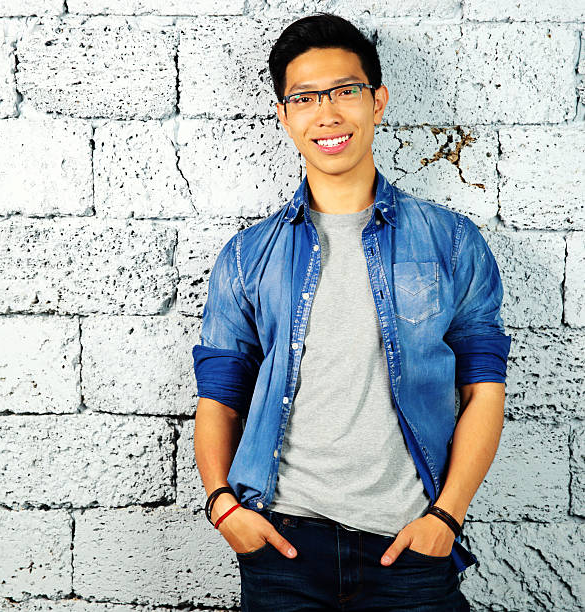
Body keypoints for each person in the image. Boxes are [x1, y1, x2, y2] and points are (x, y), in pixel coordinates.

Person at [192, 12, 511, 611]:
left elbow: (484, 391)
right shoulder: (247, 256)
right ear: (285, 116)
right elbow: (219, 395)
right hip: (283, 547)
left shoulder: (450, 242)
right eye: (306, 98)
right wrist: (223, 507)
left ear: (377, 101)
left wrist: (447, 516)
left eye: (344, 91)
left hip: (411, 545)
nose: (327, 113)